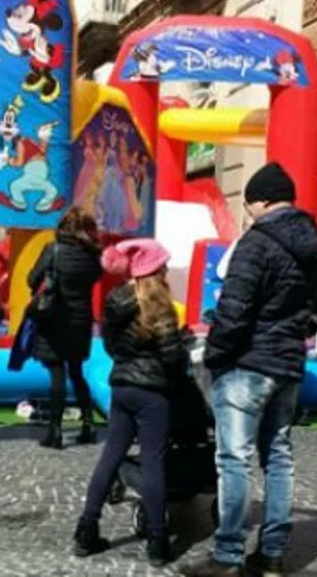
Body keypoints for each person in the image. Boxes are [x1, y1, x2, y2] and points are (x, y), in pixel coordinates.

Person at [184, 163, 317, 577]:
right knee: (278, 457)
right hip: (288, 362)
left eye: (247, 205)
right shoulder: (310, 241)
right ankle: (273, 553)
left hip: (247, 364)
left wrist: (215, 356)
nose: (246, 213)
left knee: (234, 459)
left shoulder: (257, 241)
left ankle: (227, 555)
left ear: (260, 201)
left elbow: (234, 310)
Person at [73, 239, 185, 568]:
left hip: (121, 387)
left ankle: (86, 530)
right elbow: (171, 357)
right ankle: (158, 540)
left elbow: (110, 345)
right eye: (163, 265)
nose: (166, 270)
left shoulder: (115, 299)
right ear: (155, 269)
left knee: (110, 456)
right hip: (153, 392)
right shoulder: (160, 303)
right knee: (153, 461)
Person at [28, 207, 103, 449]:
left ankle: (55, 430)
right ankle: (88, 424)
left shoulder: (54, 250)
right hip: (81, 318)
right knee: (77, 372)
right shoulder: (92, 255)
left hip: (55, 316)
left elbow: (32, 279)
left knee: (57, 374)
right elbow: (95, 279)